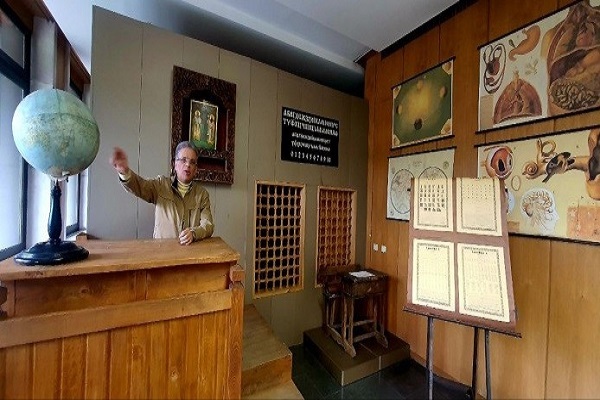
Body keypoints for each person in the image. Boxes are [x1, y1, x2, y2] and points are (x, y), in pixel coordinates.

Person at [109, 141, 214, 245]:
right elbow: (140, 186)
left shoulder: (202, 194)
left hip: (190, 252)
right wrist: (125, 172)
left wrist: (194, 233)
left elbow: (208, 225)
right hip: (162, 250)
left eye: (192, 162)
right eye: (183, 160)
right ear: (175, 164)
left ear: (196, 169)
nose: (188, 165)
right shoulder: (161, 185)